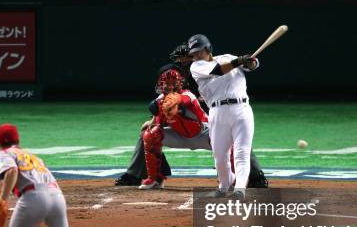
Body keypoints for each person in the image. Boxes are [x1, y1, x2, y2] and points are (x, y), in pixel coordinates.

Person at [114, 43, 268, 188]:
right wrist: (155, 119)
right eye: (179, 59)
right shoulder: (174, 75)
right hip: (182, 120)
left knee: (236, 136)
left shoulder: (209, 68)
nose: (180, 62)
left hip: (210, 118)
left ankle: (254, 176)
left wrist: (249, 62)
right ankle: (138, 175)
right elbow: (163, 100)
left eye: (184, 58)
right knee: (148, 133)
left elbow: (229, 68)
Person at [188, 34, 259, 199]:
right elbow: (218, 70)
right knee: (220, 155)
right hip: (218, 112)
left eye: (199, 51)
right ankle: (225, 184)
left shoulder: (228, 57)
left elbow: (253, 65)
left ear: (208, 48)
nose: (196, 55)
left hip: (242, 109)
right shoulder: (196, 67)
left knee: (242, 151)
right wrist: (239, 61)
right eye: (194, 53)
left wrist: (251, 61)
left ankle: (240, 188)